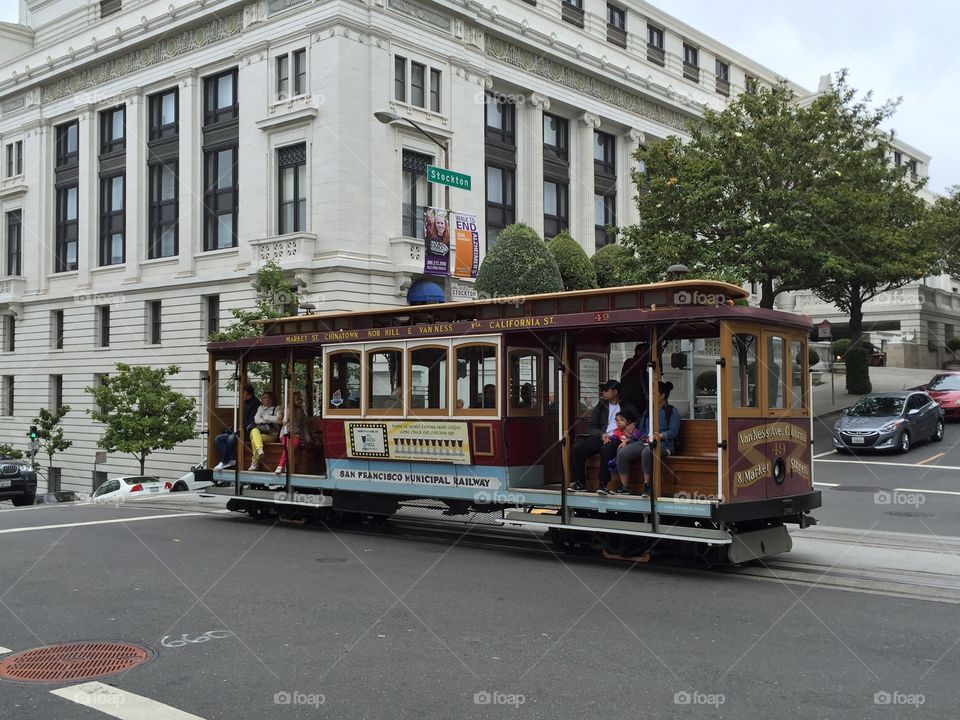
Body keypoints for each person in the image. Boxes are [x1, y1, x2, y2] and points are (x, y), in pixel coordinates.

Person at [569, 380, 637, 494]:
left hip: (618, 438)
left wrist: (633, 424)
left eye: (606, 390)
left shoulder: (627, 406)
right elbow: (590, 427)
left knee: (606, 449)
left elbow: (639, 419)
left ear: (615, 392)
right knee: (577, 448)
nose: (603, 393)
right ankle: (580, 482)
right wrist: (602, 434)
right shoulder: (601, 406)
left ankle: (603, 484)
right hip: (602, 437)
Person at [616, 381, 681, 497]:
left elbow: (673, 432)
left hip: (663, 445)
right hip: (644, 442)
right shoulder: (648, 411)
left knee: (648, 451)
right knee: (622, 452)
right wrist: (628, 440)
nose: (650, 396)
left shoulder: (672, 411)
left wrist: (660, 435)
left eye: (653, 394)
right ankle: (625, 487)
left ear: (662, 395)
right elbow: (640, 431)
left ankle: (647, 486)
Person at [214, 385, 260, 470]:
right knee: (218, 438)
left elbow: (251, 421)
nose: (240, 395)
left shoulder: (255, 404)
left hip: (248, 432)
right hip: (241, 430)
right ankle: (231, 459)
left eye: (241, 392)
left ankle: (225, 461)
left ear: (246, 393)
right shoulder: (245, 403)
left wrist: (240, 428)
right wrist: (233, 428)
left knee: (231, 438)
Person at [604, 409, 641, 495]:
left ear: (628, 421)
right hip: (623, 449)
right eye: (617, 421)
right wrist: (608, 438)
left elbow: (637, 436)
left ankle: (615, 461)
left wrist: (628, 438)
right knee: (620, 448)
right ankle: (616, 461)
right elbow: (614, 437)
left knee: (621, 448)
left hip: (632, 445)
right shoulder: (618, 431)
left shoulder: (633, 430)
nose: (619, 422)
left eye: (622, 420)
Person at [276, 391, 312, 474]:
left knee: (292, 445)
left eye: (300, 399)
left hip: (296, 434)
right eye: (297, 398)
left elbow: (303, 426)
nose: (299, 400)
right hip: (285, 433)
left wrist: (308, 438)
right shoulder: (286, 409)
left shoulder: (301, 411)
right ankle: (282, 465)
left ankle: (281, 465)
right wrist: (284, 421)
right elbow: (279, 420)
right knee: (288, 445)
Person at [247, 391, 281, 470]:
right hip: (261, 432)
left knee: (254, 439)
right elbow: (256, 420)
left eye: (265, 397)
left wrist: (265, 417)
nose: (262, 399)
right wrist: (269, 419)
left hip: (272, 434)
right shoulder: (260, 408)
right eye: (262, 397)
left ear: (271, 399)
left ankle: (255, 462)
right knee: (254, 431)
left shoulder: (277, 408)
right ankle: (260, 450)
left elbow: (278, 419)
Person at [620, 341, 650, 409]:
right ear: (638, 351)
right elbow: (642, 362)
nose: (648, 355)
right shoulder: (629, 363)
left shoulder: (645, 372)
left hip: (642, 404)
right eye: (645, 351)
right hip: (630, 404)